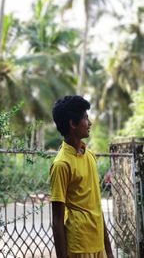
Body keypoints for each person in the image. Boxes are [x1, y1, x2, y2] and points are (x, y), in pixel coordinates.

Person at [50, 95, 114, 258]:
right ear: (72, 124)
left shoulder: (90, 156)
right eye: (85, 118)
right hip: (78, 247)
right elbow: (57, 220)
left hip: (98, 245)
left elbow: (97, 208)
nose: (90, 123)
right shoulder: (61, 164)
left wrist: (109, 250)